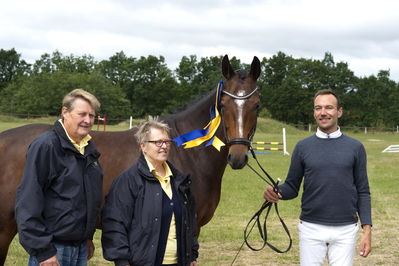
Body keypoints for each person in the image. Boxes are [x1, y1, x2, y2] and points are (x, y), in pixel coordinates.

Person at [263, 89, 372, 266]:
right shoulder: (302, 147)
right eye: (318, 108)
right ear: (314, 112)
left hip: (345, 230)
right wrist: (276, 192)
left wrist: (367, 230)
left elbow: (363, 191)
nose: (323, 112)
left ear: (339, 112)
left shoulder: (356, 147)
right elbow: (291, 187)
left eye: (329, 107)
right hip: (310, 229)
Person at [15, 89, 103, 266]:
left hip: (79, 247)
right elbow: (28, 200)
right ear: (65, 112)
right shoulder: (46, 146)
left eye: (92, 116)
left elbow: (86, 198)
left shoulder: (88, 149)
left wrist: (87, 237)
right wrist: (43, 251)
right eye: (82, 114)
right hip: (53, 248)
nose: (87, 120)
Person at [101, 117, 199, 266]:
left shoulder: (179, 180)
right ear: (143, 146)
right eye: (158, 142)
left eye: (167, 142)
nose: (164, 146)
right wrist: (121, 260)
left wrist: (191, 255)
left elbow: (190, 222)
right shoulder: (128, 180)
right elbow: (115, 224)